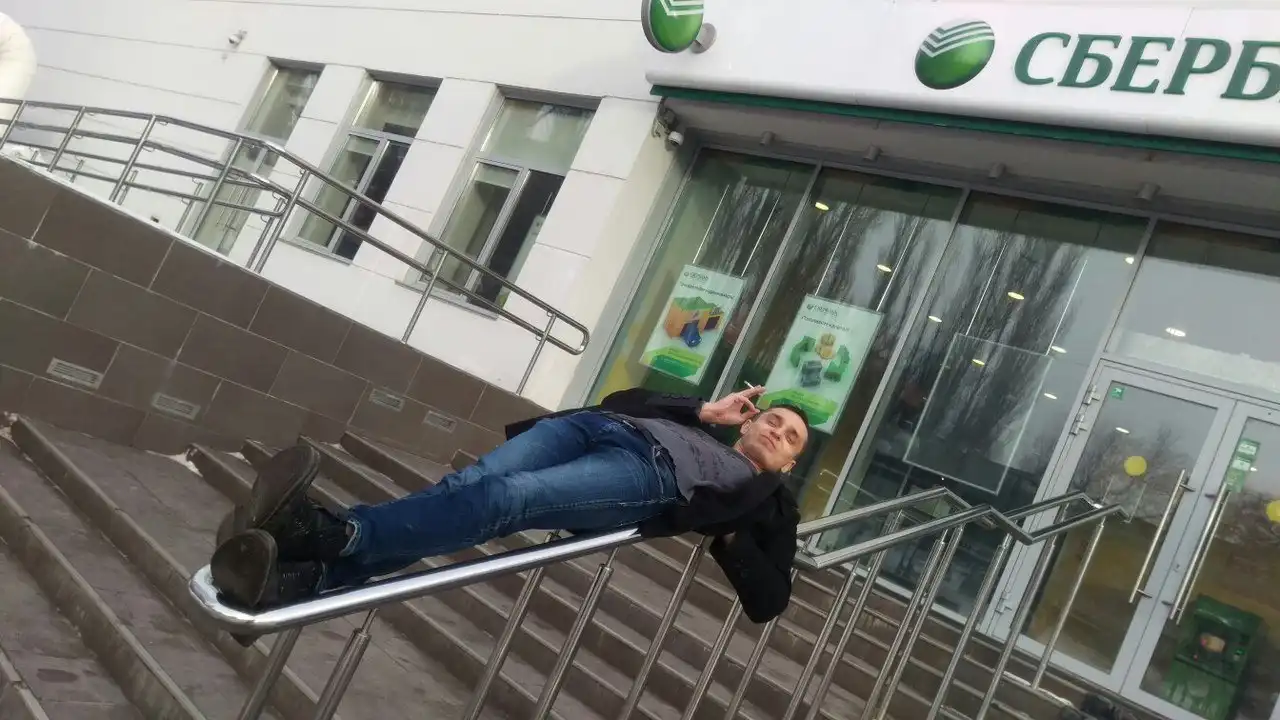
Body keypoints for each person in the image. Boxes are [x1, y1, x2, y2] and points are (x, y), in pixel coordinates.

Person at [211, 386, 807, 623]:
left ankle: (331, 532)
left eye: (790, 438)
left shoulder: (769, 500)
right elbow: (621, 397)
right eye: (772, 420)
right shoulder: (702, 424)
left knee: (505, 499)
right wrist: (701, 410)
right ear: (749, 421)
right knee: (462, 492)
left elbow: (771, 599)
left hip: (647, 475)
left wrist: (731, 534)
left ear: (788, 465)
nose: (776, 431)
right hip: (593, 427)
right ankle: (302, 581)